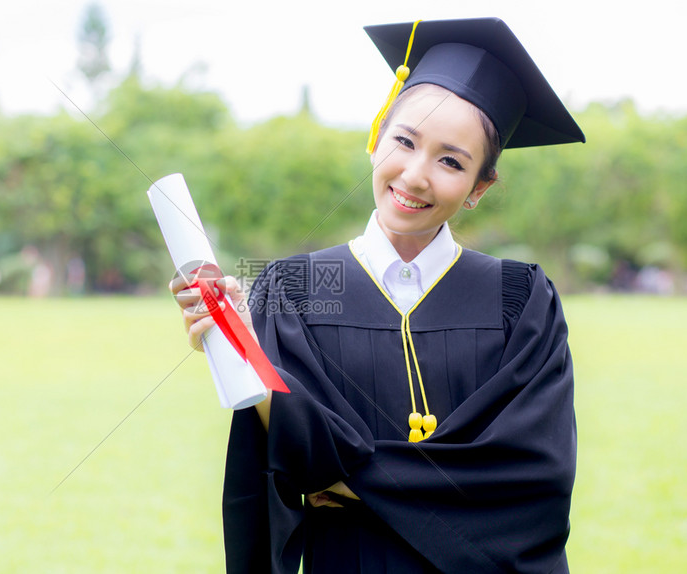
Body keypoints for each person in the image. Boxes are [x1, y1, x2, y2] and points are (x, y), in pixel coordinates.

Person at [170, 17, 581, 573]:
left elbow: (532, 474)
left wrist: (349, 480)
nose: (414, 175)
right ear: (376, 136)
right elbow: (281, 460)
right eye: (404, 141)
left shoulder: (519, 298)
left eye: (451, 161)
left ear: (480, 187)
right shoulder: (297, 289)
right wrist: (236, 344)